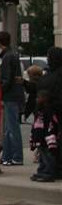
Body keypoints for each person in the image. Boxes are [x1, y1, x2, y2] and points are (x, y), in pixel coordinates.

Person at [30, 47, 62, 181]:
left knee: (48, 145)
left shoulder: (48, 78)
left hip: (49, 117)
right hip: (55, 116)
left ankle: (48, 171)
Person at [0, 31, 25, 166]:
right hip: (14, 94)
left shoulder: (7, 57)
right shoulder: (12, 54)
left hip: (9, 96)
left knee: (12, 127)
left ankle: (17, 156)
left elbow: (6, 79)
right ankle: (8, 155)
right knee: (9, 128)